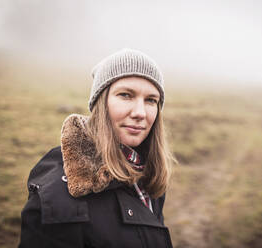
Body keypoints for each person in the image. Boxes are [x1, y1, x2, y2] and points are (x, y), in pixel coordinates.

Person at [18, 49, 175, 248]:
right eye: (126, 95)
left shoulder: (146, 171)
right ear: (101, 103)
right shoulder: (59, 199)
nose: (140, 112)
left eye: (151, 100)